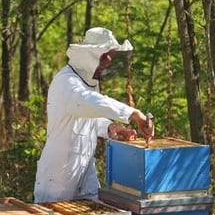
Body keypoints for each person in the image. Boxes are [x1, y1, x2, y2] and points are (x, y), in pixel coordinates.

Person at [34, 27, 153, 203]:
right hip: (57, 177)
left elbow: (88, 117)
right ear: (89, 55)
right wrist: (133, 113)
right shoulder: (66, 81)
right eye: (105, 55)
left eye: (111, 55)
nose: (110, 60)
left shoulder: (89, 83)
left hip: (85, 171)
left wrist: (111, 127)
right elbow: (90, 102)